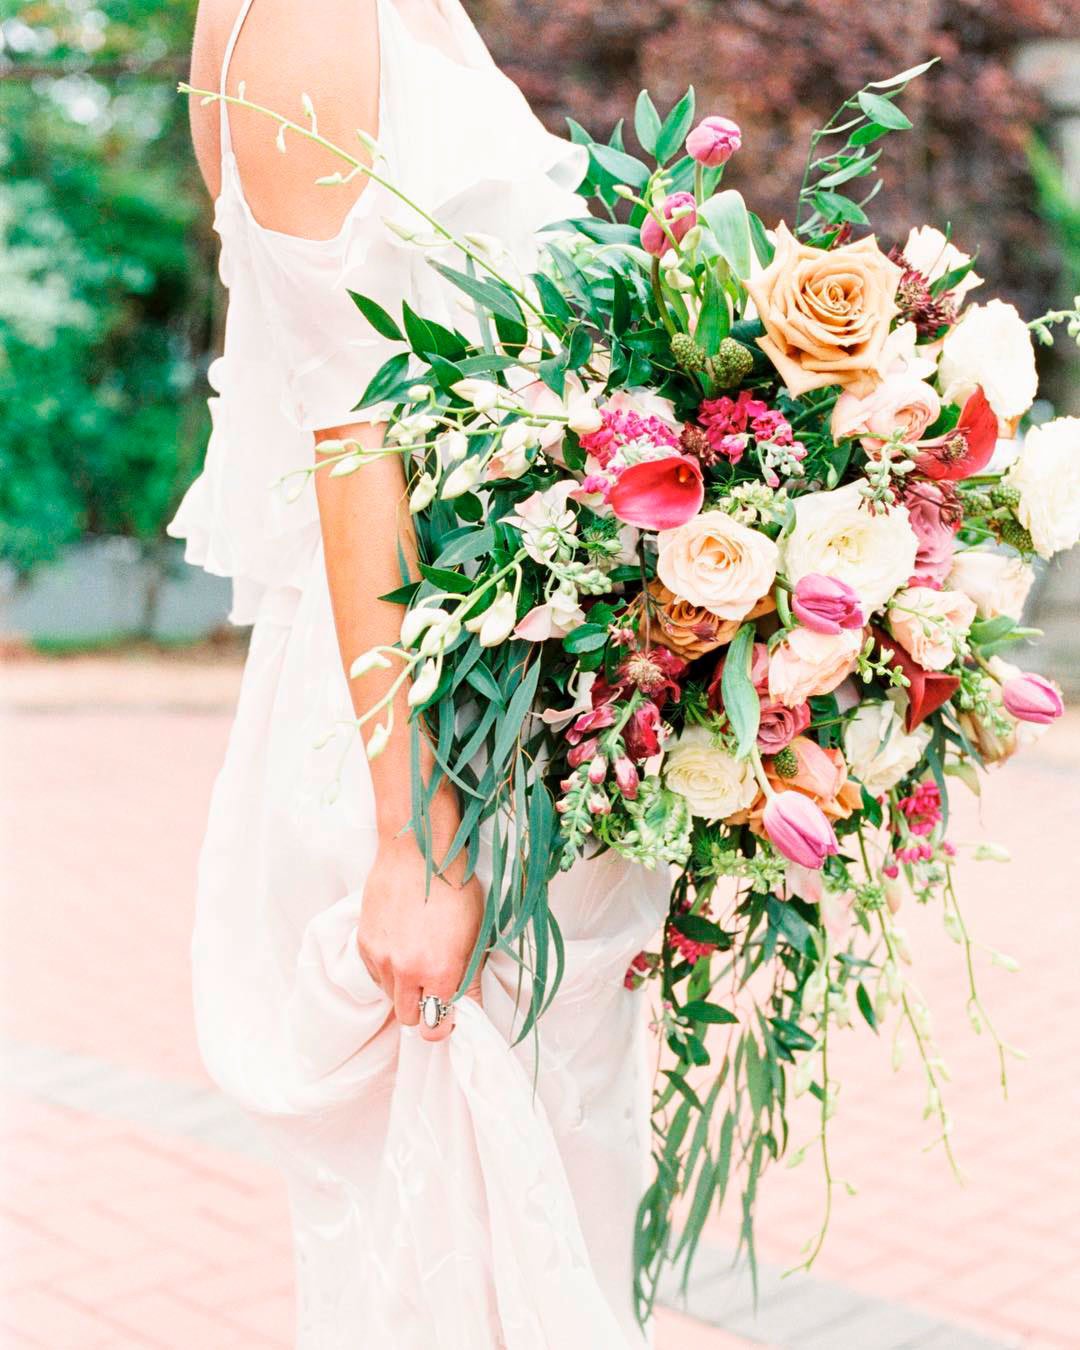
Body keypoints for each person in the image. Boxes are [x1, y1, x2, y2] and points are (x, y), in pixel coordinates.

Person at [179, 1, 668, 1343]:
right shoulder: (302, 24)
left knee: (541, 1223)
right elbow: (355, 438)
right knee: (466, 1248)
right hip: (431, 724)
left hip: (500, 691)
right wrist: (417, 840)